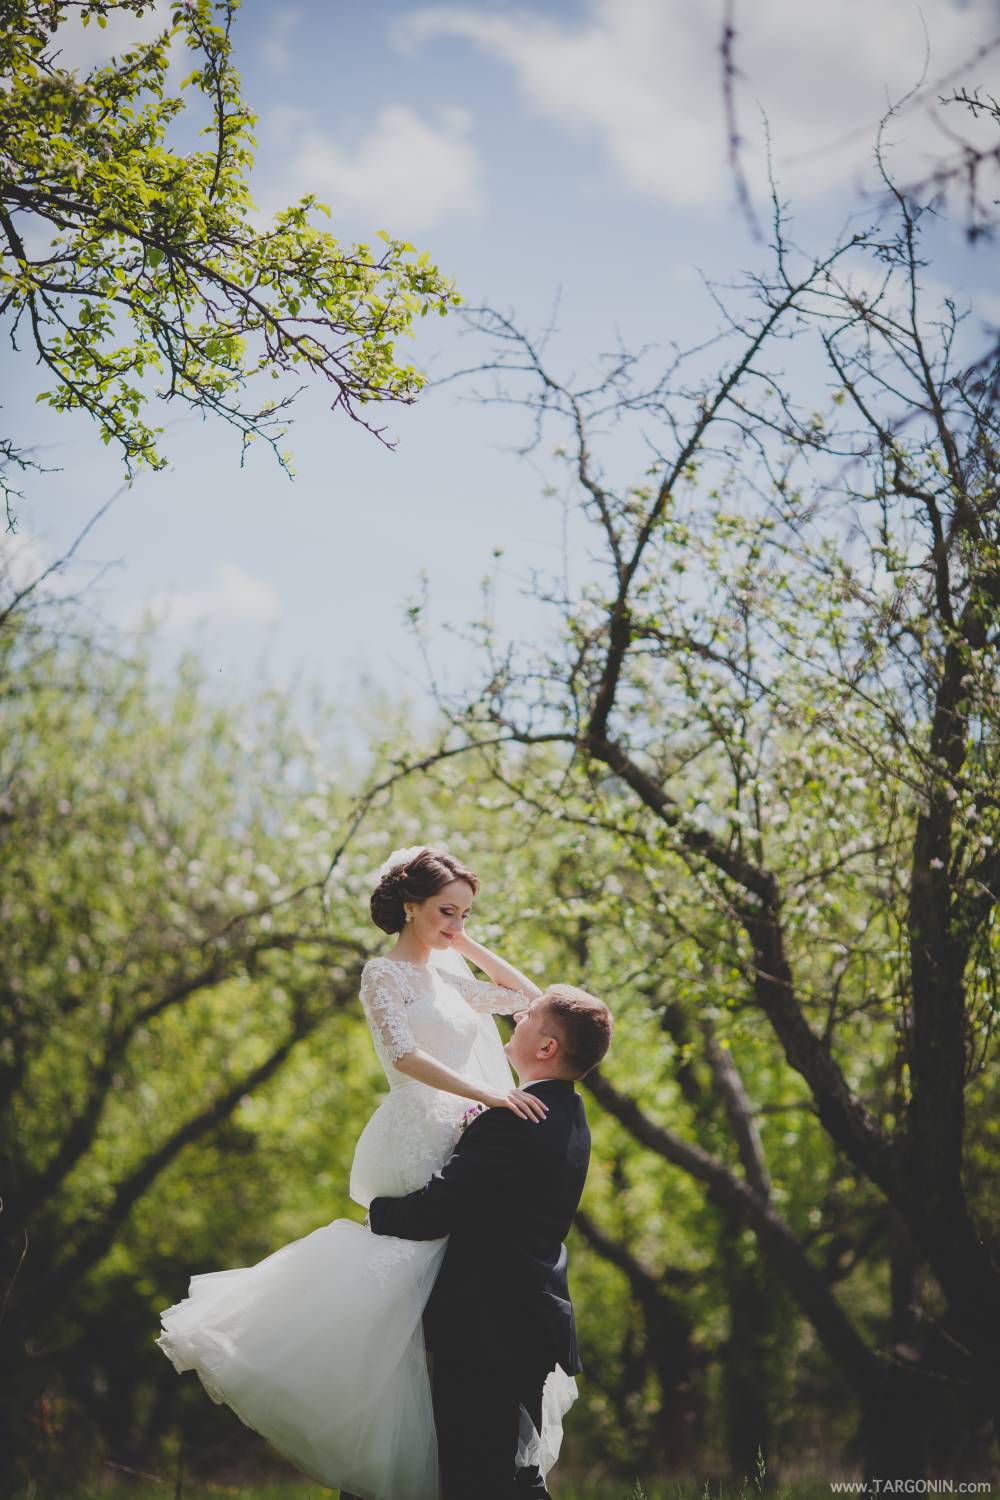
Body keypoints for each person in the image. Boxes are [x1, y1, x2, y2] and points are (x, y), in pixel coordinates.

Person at [155, 844, 580, 1500]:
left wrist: (465, 943)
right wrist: (489, 1095)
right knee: (404, 1290)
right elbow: (404, 1055)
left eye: (465, 913)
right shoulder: (383, 975)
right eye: (445, 911)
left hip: (467, 1131)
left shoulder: (450, 976)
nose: (455, 923)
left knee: (457, 1287)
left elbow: (533, 1001)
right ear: (409, 906)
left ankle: (461, 1455)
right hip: (422, 1128)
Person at [368, 981, 613, 1500]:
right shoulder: (570, 1113)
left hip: (487, 1323)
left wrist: (374, 1213)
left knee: (474, 1474)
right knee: (507, 1474)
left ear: (547, 1046)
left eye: (528, 1016)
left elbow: (438, 1209)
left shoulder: (513, 1120)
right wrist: (460, 942)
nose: (517, 1018)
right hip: (529, 1317)